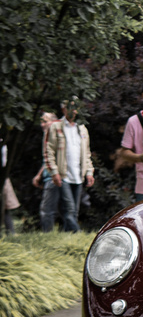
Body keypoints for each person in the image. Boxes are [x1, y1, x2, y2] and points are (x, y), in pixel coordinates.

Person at [44, 98, 94, 233]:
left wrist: (89, 172)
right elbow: (48, 151)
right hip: (63, 174)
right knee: (70, 208)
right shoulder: (56, 126)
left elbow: (87, 153)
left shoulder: (82, 128)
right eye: (70, 107)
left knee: (74, 211)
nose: (74, 110)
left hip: (78, 175)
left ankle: (68, 237)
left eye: (76, 107)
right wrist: (54, 171)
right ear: (63, 109)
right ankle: (79, 234)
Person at [32, 111, 62, 231]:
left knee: (46, 210)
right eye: (41, 121)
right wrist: (39, 175)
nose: (42, 124)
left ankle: (47, 233)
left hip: (53, 177)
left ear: (54, 122)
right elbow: (47, 160)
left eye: (45, 121)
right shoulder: (48, 136)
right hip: (49, 177)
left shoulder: (53, 136)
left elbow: (52, 159)